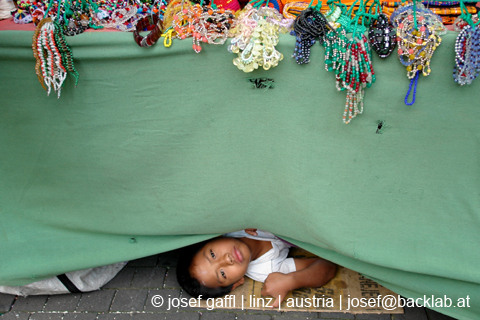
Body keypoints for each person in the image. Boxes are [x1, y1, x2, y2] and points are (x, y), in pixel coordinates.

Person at [176, 229, 337, 308]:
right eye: (223, 273)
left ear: (212, 238)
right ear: (237, 283)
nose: (227, 259)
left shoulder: (229, 224)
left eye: (212, 254)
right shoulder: (268, 269)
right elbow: (328, 266)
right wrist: (292, 280)